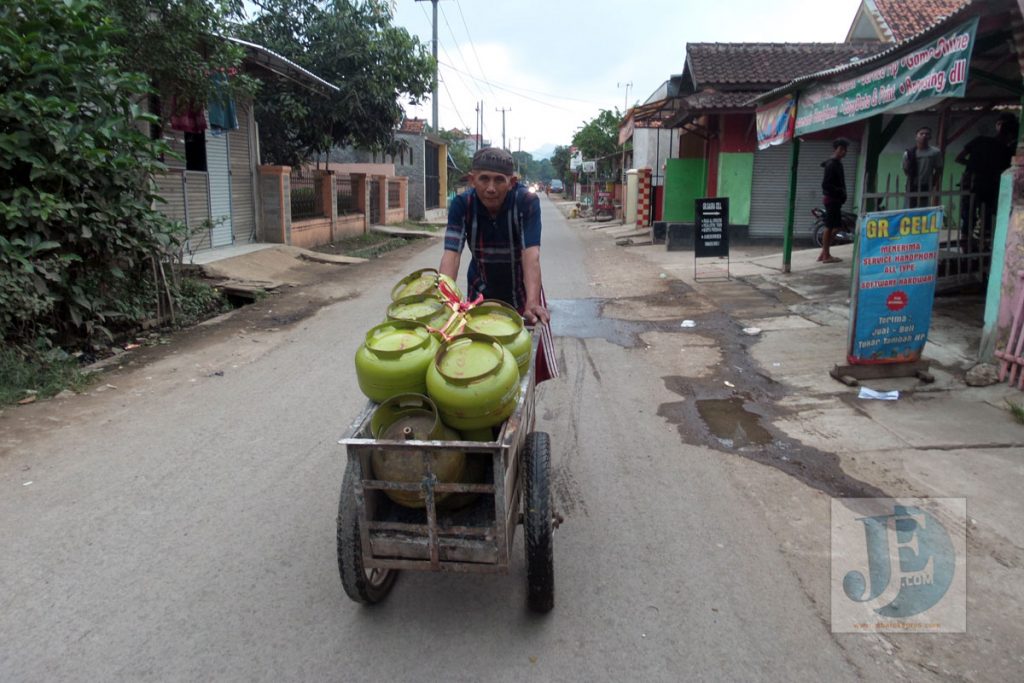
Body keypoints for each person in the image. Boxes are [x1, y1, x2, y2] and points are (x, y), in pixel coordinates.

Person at [440, 147, 558, 379]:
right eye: (484, 179)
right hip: (481, 291)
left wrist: (532, 302)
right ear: (472, 180)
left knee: (527, 361)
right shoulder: (462, 205)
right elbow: (451, 255)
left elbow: (531, 254)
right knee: (479, 360)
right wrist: (444, 301)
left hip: (522, 290)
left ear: (512, 182)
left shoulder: (526, 202)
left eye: (499, 180)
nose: (491, 188)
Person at [955, 112, 1018, 249]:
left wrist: (974, 165)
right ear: (1010, 135)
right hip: (989, 187)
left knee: (968, 215)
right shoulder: (1006, 151)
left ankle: (967, 243)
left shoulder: (979, 140)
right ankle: (982, 245)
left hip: (971, 183)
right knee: (986, 217)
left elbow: (959, 158)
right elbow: (1006, 170)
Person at [818, 137, 849, 264]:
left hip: (835, 200)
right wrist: (839, 192)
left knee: (836, 227)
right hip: (832, 200)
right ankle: (826, 255)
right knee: (830, 227)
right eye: (841, 149)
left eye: (845, 149)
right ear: (835, 149)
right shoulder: (831, 165)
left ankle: (824, 252)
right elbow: (826, 185)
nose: (843, 152)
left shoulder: (837, 164)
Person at [902, 126, 943, 207]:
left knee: (923, 208)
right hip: (911, 185)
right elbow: (905, 170)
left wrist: (932, 183)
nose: (924, 135)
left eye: (927, 134)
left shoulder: (935, 152)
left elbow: (938, 169)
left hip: (926, 185)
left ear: (930, 137)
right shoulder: (908, 153)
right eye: (921, 134)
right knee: (909, 208)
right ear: (916, 137)